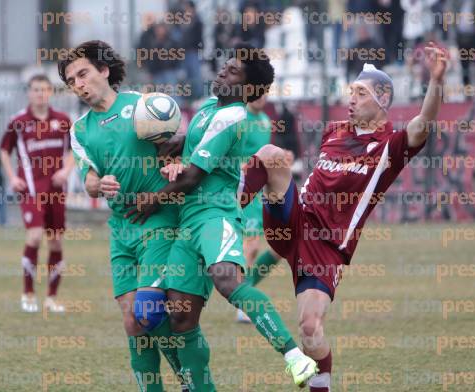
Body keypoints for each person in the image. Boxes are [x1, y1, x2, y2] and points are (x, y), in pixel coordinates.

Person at [237, 44, 448, 392]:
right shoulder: (333, 130)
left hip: (327, 247)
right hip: (295, 219)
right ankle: (227, 210)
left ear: (382, 102)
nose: (351, 98)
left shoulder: (390, 147)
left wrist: (436, 82)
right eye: (350, 91)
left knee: (309, 329)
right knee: (271, 155)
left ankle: (323, 384)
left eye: (361, 93)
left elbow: (423, 124)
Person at [126, 44, 318, 390]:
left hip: (215, 213)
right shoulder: (211, 108)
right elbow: (190, 145)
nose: (221, 72)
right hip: (187, 222)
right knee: (180, 316)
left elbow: (193, 177)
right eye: (224, 66)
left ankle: (295, 357)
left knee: (227, 279)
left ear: (248, 89)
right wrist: (168, 141)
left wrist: (152, 201)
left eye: (231, 72)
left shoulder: (234, 116)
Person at [58, 40, 187, 392]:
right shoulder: (80, 129)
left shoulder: (143, 106)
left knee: (148, 310)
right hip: (121, 230)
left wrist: (173, 157)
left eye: (83, 74)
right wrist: (101, 183)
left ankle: (190, 380)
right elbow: (88, 181)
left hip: (158, 222)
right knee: (133, 322)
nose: (78, 84)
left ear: (103, 70)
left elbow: (177, 144)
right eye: (71, 81)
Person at [0, 74, 74, 313]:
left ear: (50, 93)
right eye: (35, 90)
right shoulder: (18, 121)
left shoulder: (63, 120)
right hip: (31, 190)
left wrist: (66, 170)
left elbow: (76, 150)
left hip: (56, 190)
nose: (39, 94)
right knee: (34, 237)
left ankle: (51, 298)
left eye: (44, 90)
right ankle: (28, 293)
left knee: (55, 242)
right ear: (29, 93)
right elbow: (4, 150)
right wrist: (12, 177)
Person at [236, 94, 282, 323]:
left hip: (262, 193)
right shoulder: (239, 118)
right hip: (240, 188)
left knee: (280, 246)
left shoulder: (265, 121)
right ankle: (244, 302)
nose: (261, 96)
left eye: (265, 92)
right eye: (257, 90)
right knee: (251, 246)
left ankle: (244, 294)